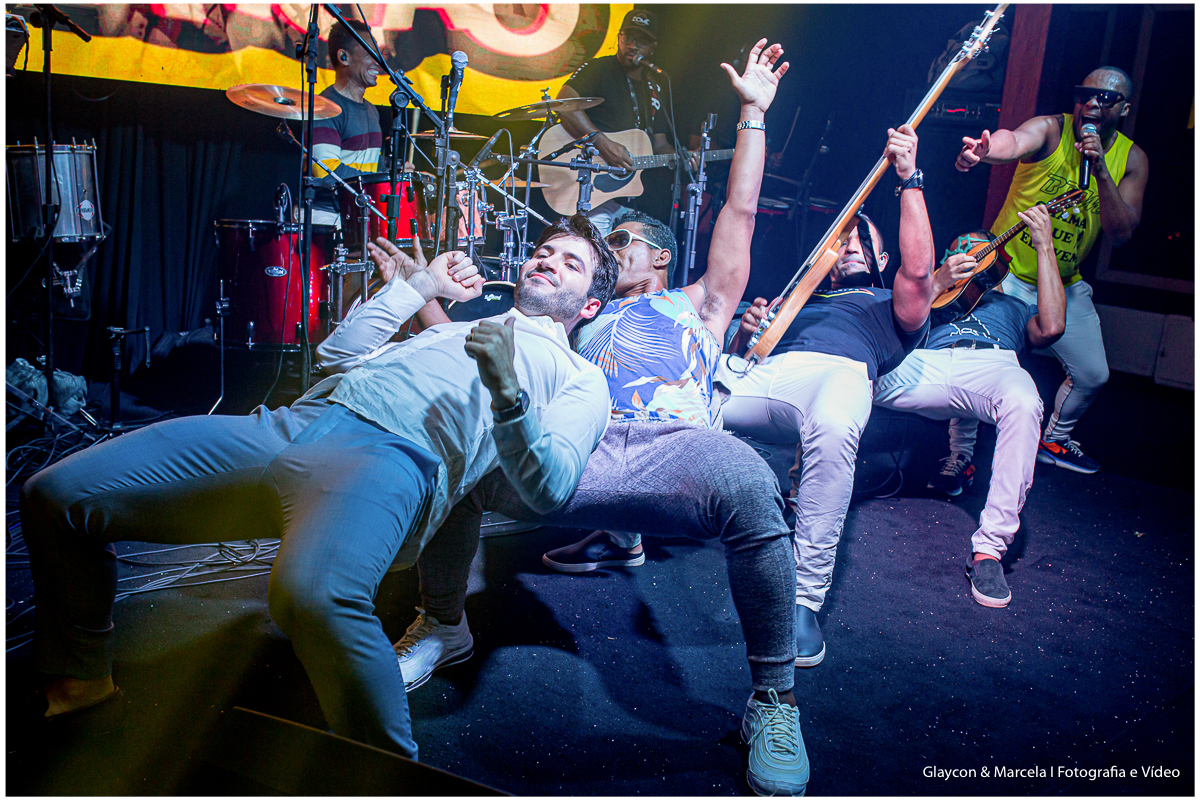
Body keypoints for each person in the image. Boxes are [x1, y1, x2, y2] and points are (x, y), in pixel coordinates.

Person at [19, 216, 619, 763]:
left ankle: (386, 775)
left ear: (590, 305)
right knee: (58, 495)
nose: (547, 261)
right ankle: (82, 695)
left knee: (313, 595)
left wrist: (509, 394)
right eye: (544, 251)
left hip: (388, 459)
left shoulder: (581, 377)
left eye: (570, 262)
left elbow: (552, 486)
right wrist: (420, 289)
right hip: (289, 424)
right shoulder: (457, 328)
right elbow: (338, 352)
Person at [381, 40, 810, 796]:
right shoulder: (578, 317)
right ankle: (444, 622)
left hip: (671, 450)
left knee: (747, 478)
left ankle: (773, 698)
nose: (611, 250)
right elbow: (470, 347)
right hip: (573, 444)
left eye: (625, 242)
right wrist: (416, 287)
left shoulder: (699, 304)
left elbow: (739, 211)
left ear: (660, 258)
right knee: (465, 457)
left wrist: (752, 112)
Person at [719, 124, 935, 668]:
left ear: (882, 259)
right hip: (773, 374)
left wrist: (910, 180)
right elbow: (744, 359)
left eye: (864, 241)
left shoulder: (891, 301)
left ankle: (802, 600)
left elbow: (920, 270)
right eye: (842, 243)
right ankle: (620, 532)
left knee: (838, 425)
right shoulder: (799, 302)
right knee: (687, 396)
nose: (851, 248)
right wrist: (747, 332)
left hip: (839, 374)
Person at [954, 67, 1148, 474]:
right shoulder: (1052, 130)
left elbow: (1121, 232)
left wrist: (1099, 171)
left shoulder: (1130, 159)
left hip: (1061, 284)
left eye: (1105, 98)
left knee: (1093, 373)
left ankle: (1055, 439)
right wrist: (986, 149)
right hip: (1004, 273)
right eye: (1084, 94)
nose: (1091, 104)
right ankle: (960, 456)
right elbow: (1014, 140)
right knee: (974, 358)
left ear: (1124, 108)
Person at [873, 203, 1066, 608]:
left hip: (991, 363)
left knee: (1024, 400)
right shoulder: (930, 292)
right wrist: (938, 279)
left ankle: (989, 550)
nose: (971, 254)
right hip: (925, 362)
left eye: (981, 250)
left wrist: (1045, 246)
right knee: (847, 371)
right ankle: (802, 491)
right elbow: (887, 319)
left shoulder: (1011, 307)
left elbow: (1052, 328)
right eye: (961, 249)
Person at [554, 8, 676, 234]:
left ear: (653, 47)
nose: (633, 45)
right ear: (619, 38)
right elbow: (565, 102)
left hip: (634, 196)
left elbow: (659, 144)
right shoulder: (599, 68)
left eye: (642, 41)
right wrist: (602, 143)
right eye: (628, 37)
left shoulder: (656, 86)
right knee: (595, 259)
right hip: (594, 191)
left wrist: (684, 157)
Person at [312, 19, 384, 226]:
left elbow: (371, 166)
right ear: (344, 57)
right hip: (326, 217)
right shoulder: (325, 107)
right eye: (370, 53)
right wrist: (377, 181)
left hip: (356, 213)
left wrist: (393, 174)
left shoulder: (372, 110)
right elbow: (327, 172)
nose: (378, 61)